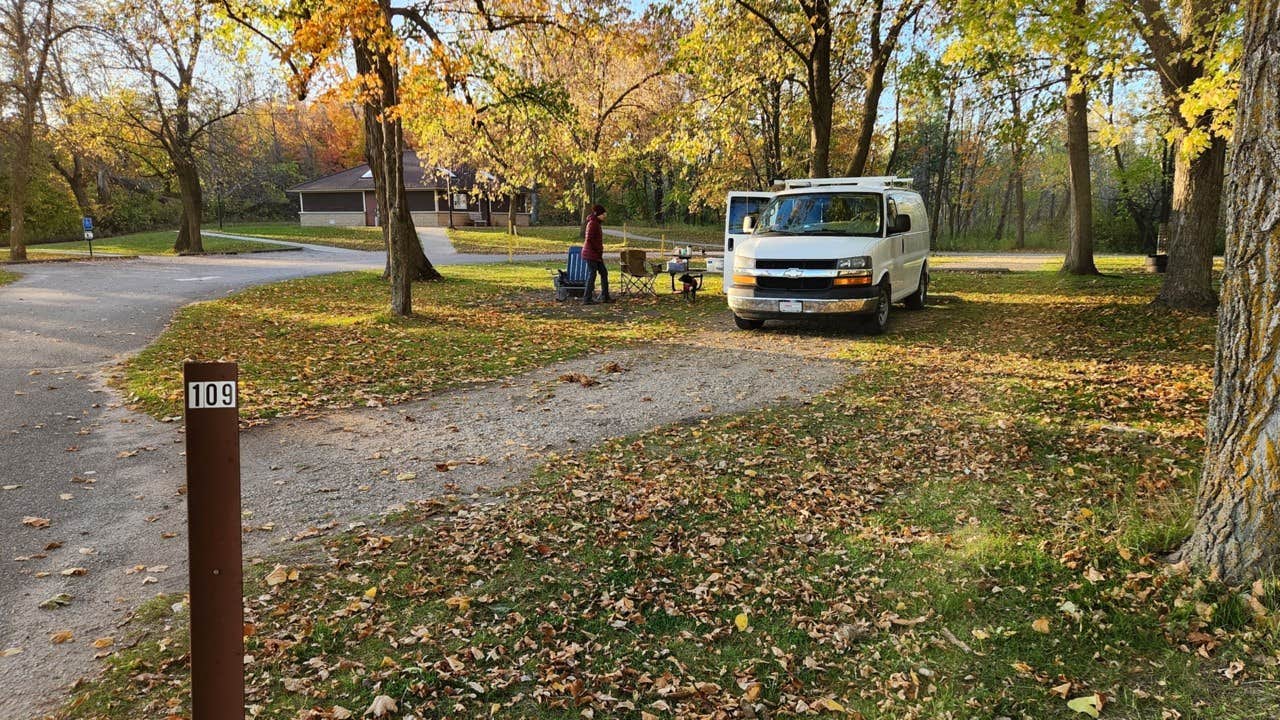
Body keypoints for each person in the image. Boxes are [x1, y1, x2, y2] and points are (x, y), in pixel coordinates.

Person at [581, 204, 613, 304]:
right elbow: (589, 239)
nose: (605, 216)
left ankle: (605, 296)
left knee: (603, 273)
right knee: (592, 274)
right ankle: (587, 298)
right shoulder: (593, 223)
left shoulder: (596, 223)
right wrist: (598, 249)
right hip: (591, 253)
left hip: (595, 253)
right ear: (598, 214)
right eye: (603, 214)